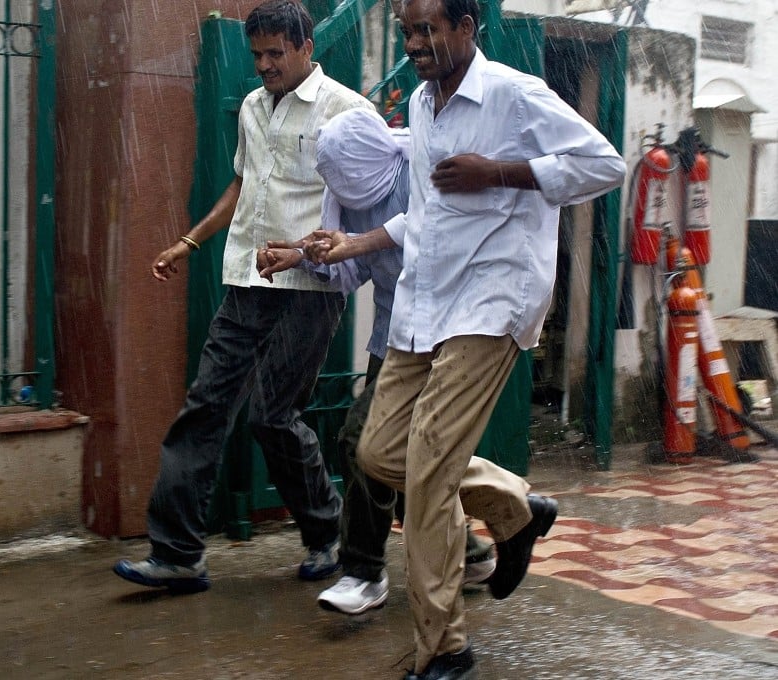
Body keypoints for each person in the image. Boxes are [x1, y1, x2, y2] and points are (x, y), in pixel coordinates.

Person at [298, 1, 627, 677]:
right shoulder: (420, 105)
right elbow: (427, 212)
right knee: (378, 450)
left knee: (427, 473)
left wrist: (505, 172)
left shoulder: (514, 94)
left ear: (466, 28)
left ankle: (444, 650)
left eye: (428, 29)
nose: (415, 42)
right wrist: (356, 242)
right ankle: (515, 509)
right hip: (426, 301)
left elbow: (605, 164)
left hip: (493, 299)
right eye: (408, 30)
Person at [112, 0, 373, 594]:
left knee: (273, 415)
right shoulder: (254, 107)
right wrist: (189, 241)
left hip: (309, 285)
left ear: (307, 47)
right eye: (257, 54)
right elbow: (242, 181)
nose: (263, 65)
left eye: (275, 53)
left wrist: (309, 250)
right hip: (246, 279)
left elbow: (368, 202)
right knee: (206, 406)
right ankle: (178, 553)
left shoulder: (347, 111)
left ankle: (324, 531)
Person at [256, 108, 499, 617]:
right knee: (399, 455)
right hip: (393, 334)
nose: (352, 199)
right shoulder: (345, 199)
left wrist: (347, 246)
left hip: (446, 333)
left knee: (363, 442)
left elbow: (430, 239)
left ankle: (364, 570)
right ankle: (472, 555)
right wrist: (310, 257)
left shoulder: (421, 175)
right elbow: (356, 272)